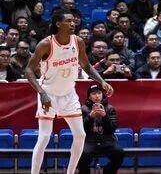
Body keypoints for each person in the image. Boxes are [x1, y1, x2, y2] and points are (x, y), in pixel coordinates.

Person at [26, 10, 115, 174]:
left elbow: (86, 66)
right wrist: (42, 93)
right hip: (48, 94)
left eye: (74, 21)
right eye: (68, 21)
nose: (73, 23)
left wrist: (102, 81)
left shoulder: (78, 41)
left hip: (69, 94)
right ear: (58, 24)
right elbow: (28, 71)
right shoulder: (46, 44)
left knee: (80, 135)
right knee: (44, 137)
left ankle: (70, 172)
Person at [77, 83, 124, 174]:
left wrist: (105, 117)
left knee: (119, 153)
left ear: (102, 95)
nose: (97, 96)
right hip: (89, 140)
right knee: (81, 155)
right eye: (93, 93)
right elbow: (81, 129)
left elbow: (112, 129)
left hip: (107, 140)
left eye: (99, 93)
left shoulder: (110, 109)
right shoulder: (83, 109)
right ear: (89, 96)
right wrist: (90, 117)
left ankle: (108, 171)